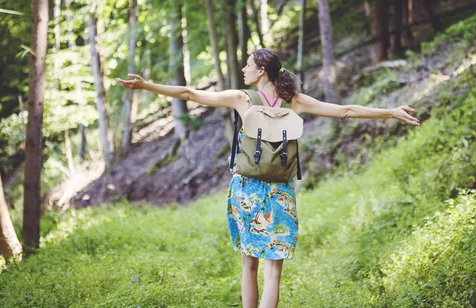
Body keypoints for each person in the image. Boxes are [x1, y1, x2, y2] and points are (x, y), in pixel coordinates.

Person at [116, 48, 419, 308]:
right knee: (273, 271)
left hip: (246, 188)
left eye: (248, 65)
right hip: (280, 191)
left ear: (261, 72)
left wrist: (147, 86)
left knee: (249, 263)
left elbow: (189, 94)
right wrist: (389, 111)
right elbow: (345, 111)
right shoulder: (294, 100)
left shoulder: (241, 99)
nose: (244, 70)